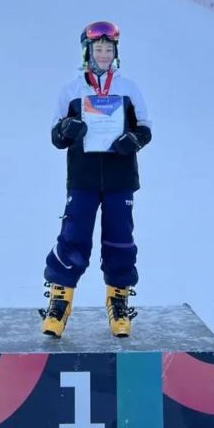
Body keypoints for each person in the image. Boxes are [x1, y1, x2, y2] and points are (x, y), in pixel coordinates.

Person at [40, 21, 152, 339]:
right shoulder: (71, 90)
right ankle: (59, 302)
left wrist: (133, 140)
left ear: (116, 52)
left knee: (120, 239)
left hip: (120, 177)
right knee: (73, 236)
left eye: (108, 49)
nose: (103, 54)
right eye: (98, 49)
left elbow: (145, 127)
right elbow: (56, 136)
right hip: (83, 177)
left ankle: (118, 302)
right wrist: (67, 129)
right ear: (87, 52)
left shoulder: (128, 88)